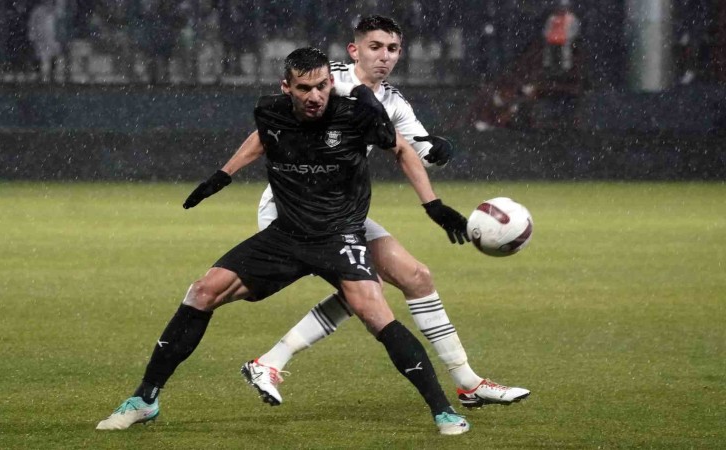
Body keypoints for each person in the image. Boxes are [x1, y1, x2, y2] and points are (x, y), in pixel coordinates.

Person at [96, 47, 471, 435]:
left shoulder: (355, 114)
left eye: (322, 86)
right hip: (286, 235)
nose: (315, 96)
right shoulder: (270, 111)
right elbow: (263, 138)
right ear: (286, 87)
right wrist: (222, 176)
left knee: (376, 314)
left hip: (339, 236)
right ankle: (145, 400)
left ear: (331, 82)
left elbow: (400, 147)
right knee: (202, 291)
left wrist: (433, 204)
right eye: (304, 88)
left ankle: (443, 411)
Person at [203, 15, 529, 409]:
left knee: (416, 277)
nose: (384, 56)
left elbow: (418, 149)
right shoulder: (328, 81)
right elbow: (270, 128)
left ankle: (468, 383)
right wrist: (224, 174)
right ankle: (269, 361)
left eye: (392, 49)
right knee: (363, 293)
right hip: (292, 211)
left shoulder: (393, 102)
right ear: (354, 50)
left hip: (341, 215)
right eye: (375, 47)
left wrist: (439, 153)